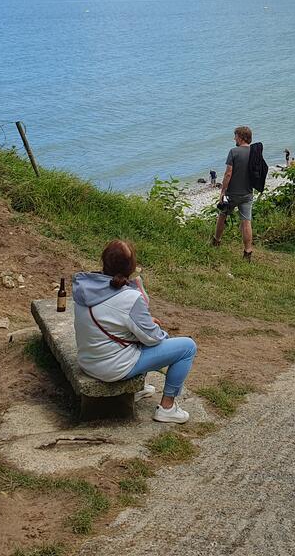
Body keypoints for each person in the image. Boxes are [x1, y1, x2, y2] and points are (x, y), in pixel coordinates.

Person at [72, 240, 196, 424]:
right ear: (131, 267)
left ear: (103, 261)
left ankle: (138, 389)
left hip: (88, 360)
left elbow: (111, 320)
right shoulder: (129, 297)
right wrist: (158, 331)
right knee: (187, 347)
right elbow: (152, 338)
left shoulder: (87, 287)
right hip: (110, 368)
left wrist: (142, 323)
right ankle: (167, 408)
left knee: (131, 334)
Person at [213, 125, 254, 260]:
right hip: (248, 193)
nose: (234, 138)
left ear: (241, 137)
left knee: (222, 214)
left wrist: (223, 192)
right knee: (246, 221)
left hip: (232, 194)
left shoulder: (234, 152)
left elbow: (228, 173)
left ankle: (216, 241)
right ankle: (247, 252)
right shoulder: (254, 152)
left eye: (235, 136)